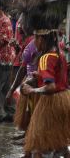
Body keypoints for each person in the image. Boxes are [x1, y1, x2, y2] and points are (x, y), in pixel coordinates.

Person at [21, 10, 70, 158]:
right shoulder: (58, 53)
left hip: (52, 103)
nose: (34, 43)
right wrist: (40, 75)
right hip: (65, 100)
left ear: (41, 39)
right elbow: (59, 78)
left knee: (38, 143)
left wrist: (32, 90)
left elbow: (51, 86)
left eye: (35, 39)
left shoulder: (45, 58)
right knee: (61, 143)